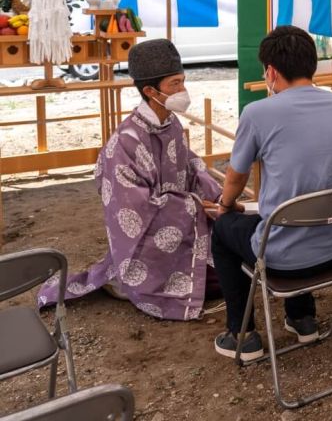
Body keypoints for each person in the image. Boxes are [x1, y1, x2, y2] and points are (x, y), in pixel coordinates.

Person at [37, 39, 222, 320]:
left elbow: (192, 167)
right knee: (219, 280)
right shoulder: (125, 143)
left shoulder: (171, 124)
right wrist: (195, 206)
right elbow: (135, 211)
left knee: (233, 263)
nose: (182, 90)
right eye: (175, 84)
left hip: (184, 225)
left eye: (183, 81)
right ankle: (125, 280)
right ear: (150, 91)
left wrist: (218, 197)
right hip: (148, 244)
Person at [211, 25, 332, 361]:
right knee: (299, 209)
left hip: (287, 260)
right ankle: (302, 318)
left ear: (271, 72)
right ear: (313, 65)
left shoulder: (257, 113)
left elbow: (236, 176)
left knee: (224, 230)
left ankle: (242, 335)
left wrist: (226, 205)